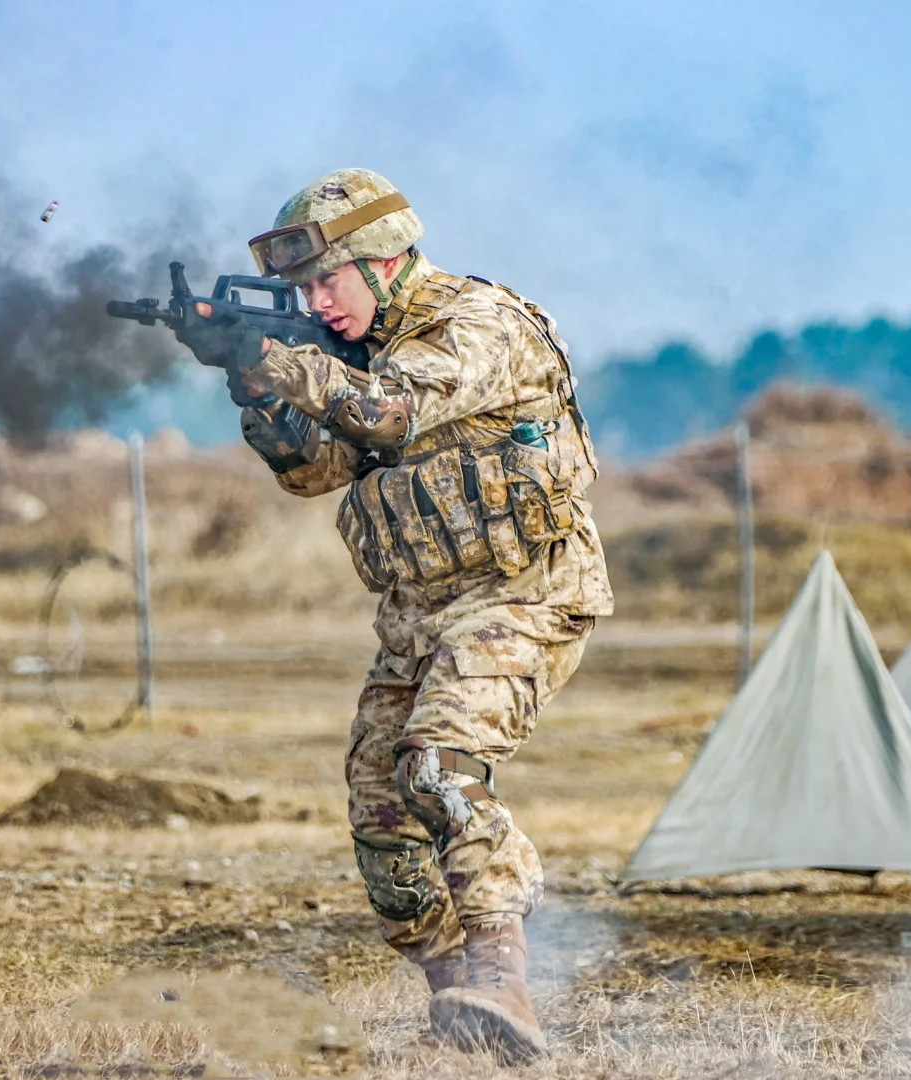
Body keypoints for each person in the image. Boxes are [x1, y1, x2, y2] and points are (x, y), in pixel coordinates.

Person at [234, 168, 614, 1059]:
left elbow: (389, 413)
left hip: (524, 591)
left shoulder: (475, 325)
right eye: (299, 288)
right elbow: (313, 471)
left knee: (436, 766)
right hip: (418, 609)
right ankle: (458, 1000)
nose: (313, 301)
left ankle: (501, 973)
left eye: (327, 279)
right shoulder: (354, 350)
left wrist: (278, 361)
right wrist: (258, 395)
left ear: (388, 257)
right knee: (379, 809)